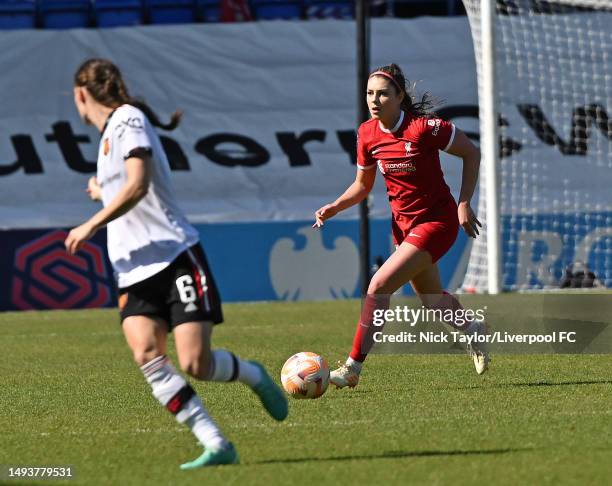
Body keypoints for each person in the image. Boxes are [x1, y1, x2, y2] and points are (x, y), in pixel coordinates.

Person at [65, 58, 288, 468]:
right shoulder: (106, 141)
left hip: (173, 257)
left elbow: (139, 183)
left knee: (195, 363)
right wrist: (101, 192)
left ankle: (253, 375)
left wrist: (91, 222)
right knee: (147, 355)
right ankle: (216, 443)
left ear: (81, 94)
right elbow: (126, 190)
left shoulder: (127, 119)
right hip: (132, 270)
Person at [313, 63, 490, 388]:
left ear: (400, 96)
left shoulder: (424, 128)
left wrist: (465, 202)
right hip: (403, 227)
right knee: (432, 300)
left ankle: (352, 368)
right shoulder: (367, 133)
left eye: (382, 93)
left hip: (437, 222)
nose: (374, 100)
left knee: (378, 286)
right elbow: (363, 186)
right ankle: (472, 329)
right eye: (369, 93)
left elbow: (471, 153)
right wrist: (335, 206)